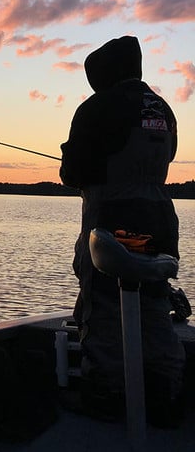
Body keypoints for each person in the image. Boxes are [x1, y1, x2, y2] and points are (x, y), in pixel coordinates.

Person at [60, 35, 185, 424]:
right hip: (160, 221)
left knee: (105, 306)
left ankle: (108, 398)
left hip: (113, 222)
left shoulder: (97, 108)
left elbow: (73, 173)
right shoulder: (162, 107)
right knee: (152, 302)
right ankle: (164, 398)